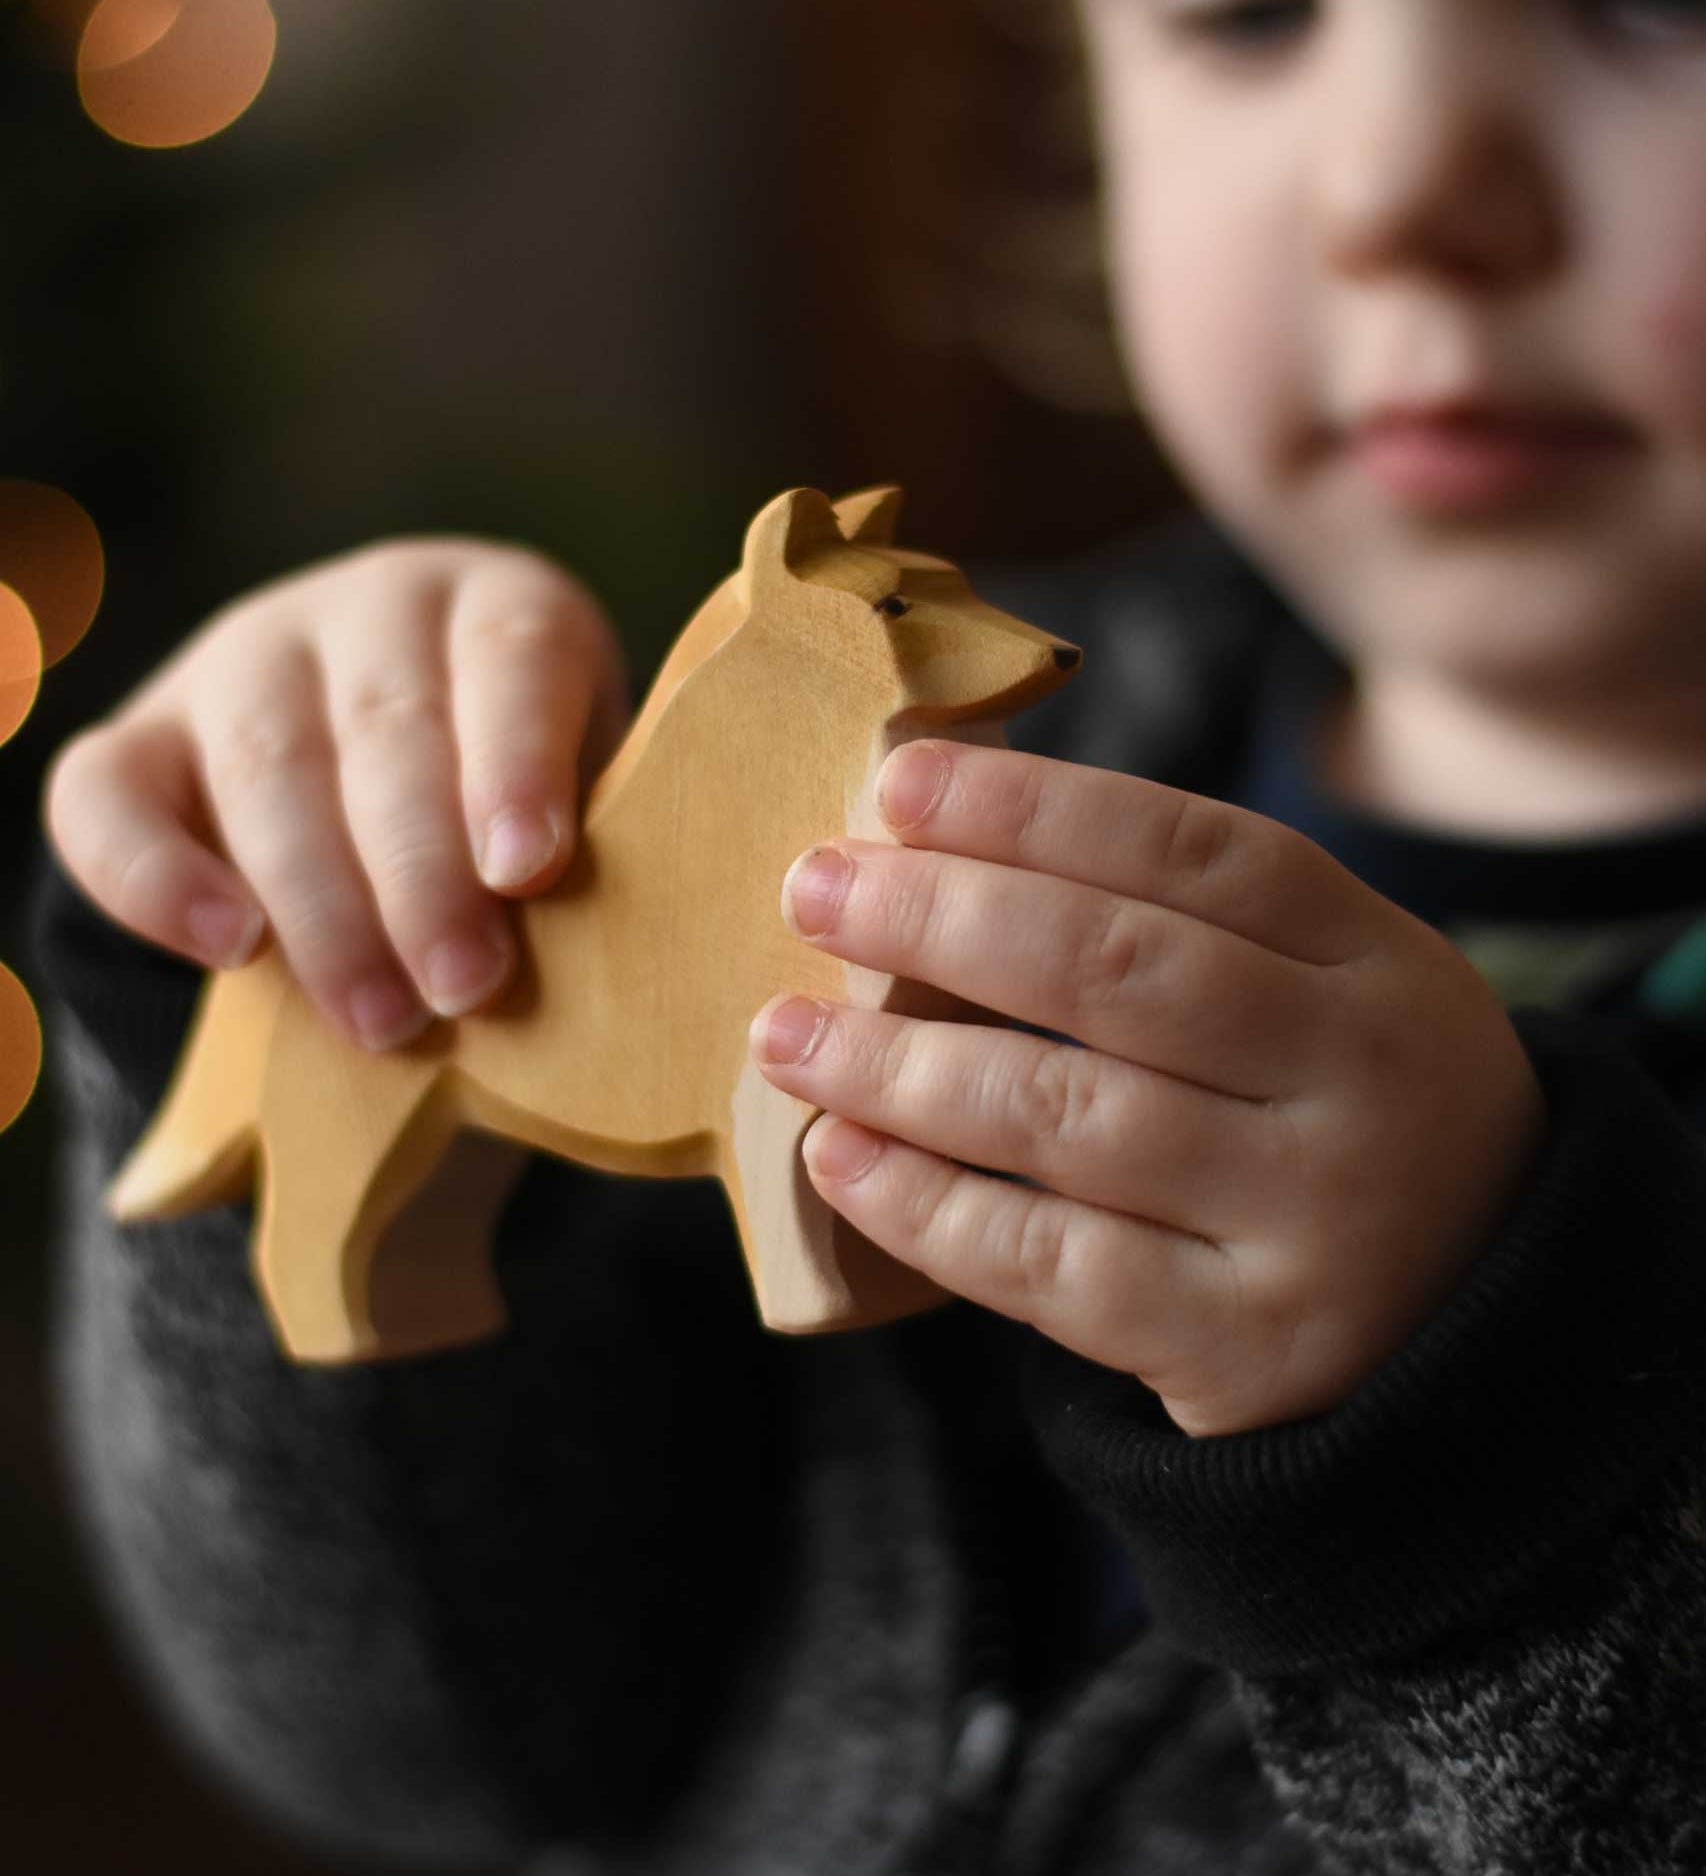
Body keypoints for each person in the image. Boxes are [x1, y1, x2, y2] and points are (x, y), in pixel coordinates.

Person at [27, 0, 1706, 1869]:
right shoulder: (876, 787)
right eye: (1242, 20)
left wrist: (1493, 1430)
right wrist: (296, 899)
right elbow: (435, 1749)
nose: (1399, 187)